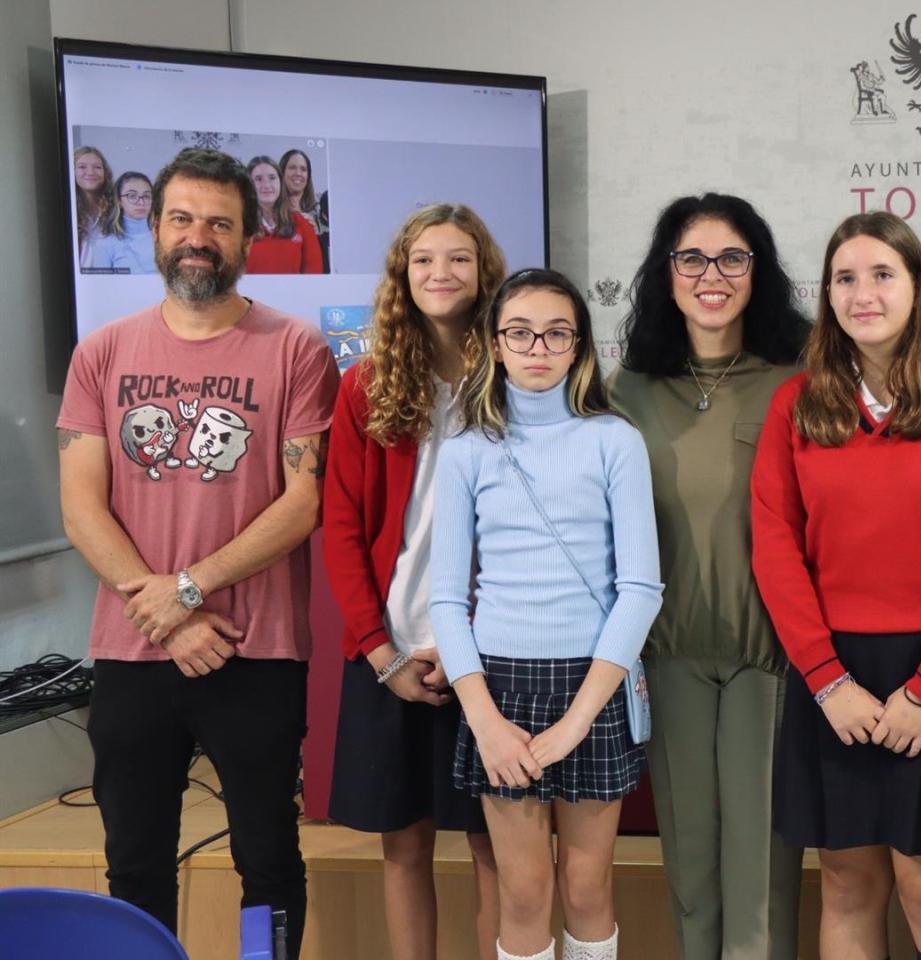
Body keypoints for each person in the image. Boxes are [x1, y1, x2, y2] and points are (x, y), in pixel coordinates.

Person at [56, 146, 341, 959]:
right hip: (135, 649)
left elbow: (304, 501)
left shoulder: (296, 351)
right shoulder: (101, 352)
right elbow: (81, 506)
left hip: (257, 651)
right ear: (154, 227)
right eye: (182, 218)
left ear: (250, 238)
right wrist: (171, 615)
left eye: (220, 223)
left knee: (269, 860)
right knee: (135, 861)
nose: (198, 237)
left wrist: (189, 587)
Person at [751, 211, 921, 960]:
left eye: (882, 275)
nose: (862, 293)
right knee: (846, 886)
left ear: (917, 287)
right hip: (831, 681)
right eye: (845, 278)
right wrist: (824, 678)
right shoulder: (795, 406)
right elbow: (775, 550)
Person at [431, 267, 663, 960]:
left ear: (579, 345)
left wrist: (577, 719)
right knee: (522, 892)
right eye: (521, 332)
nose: (538, 347)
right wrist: (484, 719)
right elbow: (446, 597)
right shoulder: (466, 450)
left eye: (557, 332)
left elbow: (642, 588)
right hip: (497, 687)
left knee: (588, 888)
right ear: (496, 344)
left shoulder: (613, 441)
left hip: (593, 685)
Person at [607, 193, 810, 960]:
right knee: (691, 869)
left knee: (762, 875)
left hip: (774, 658)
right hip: (668, 659)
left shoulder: (803, 376)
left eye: (732, 257)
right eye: (691, 258)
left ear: (759, 271)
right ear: (667, 273)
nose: (711, 275)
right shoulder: (626, 389)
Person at [324, 204, 508, 960]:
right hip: (393, 653)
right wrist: (382, 653)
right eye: (424, 259)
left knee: (499, 845)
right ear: (403, 274)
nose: (441, 273)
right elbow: (339, 528)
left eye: (458, 258)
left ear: (484, 271)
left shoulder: (515, 377)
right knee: (405, 847)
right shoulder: (367, 385)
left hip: (496, 653)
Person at [245, 155, 324, 275]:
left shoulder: (302, 223)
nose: (266, 185)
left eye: (272, 178)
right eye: (258, 179)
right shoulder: (239, 226)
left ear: (281, 183)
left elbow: (314, 274)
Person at [88, 171, 157, 274]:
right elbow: (101, 285)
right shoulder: (105, 242)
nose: (141, 202)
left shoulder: (164, 236)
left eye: (146, 196)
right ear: (119, 201)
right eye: (132, 196)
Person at [280, 148, 330, 269]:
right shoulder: (271, 214)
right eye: (292, 168)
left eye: (303, 169)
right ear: (281, 172)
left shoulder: (319, 212)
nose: (298, 173)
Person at [73, 144, 112, 268]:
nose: (90, 172)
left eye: (97, 167)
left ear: (105, 173)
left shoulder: (117, 209)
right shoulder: (67, 211)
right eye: (82, 167)